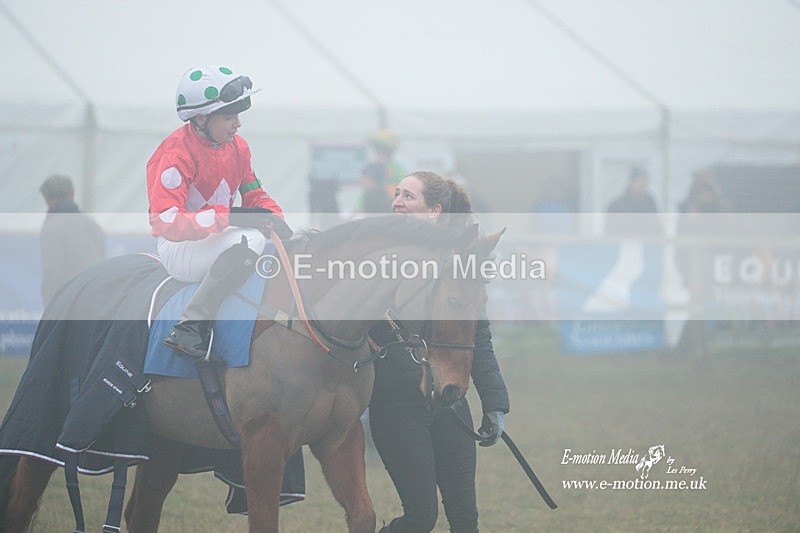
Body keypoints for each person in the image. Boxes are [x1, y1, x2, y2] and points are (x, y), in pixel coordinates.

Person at [370, 171, 510, 533]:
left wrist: (494, 402)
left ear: (435, 210)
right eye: (397, 194)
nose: (398, 201)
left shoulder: (459, 265)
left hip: (450, 405)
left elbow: (477, 337)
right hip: (397, 406)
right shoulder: (374, 258)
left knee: (465, 520)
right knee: (421, 519)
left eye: (408, 196)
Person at [147, 65, 291, 360]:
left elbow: (254, 194)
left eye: (238, 115)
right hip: (179, 247)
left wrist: (274, 218)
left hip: (216, 239)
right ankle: (190, 325)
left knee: (269, 241)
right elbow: (166, 222)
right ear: (201, 118)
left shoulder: (239, 147)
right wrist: (229, 217)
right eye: (228, 117)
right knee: (250, 239)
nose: (237, 124)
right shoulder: (175, 155)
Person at [39, 175, 106, 306]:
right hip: (97, 300)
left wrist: (51, 308)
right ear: (72, 194)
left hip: (69, 304)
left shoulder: (52, 227)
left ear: (46, 198)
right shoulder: (92, 224)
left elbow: (53, 274)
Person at [358, 128, 406, 214]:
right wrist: (358, 209)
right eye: (377, 149)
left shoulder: (398, 171)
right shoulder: (371, 168)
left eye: (383, 150)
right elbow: (365, 195)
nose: (379, 153)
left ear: (390, 151)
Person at [605, 167, 661, 236]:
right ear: (631, 182)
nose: (643, 186)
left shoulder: (650, 203)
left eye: (645, 183)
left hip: (646, 241)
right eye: (640, 182)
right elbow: (610, 232)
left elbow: (657, 229)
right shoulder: (616, 206)